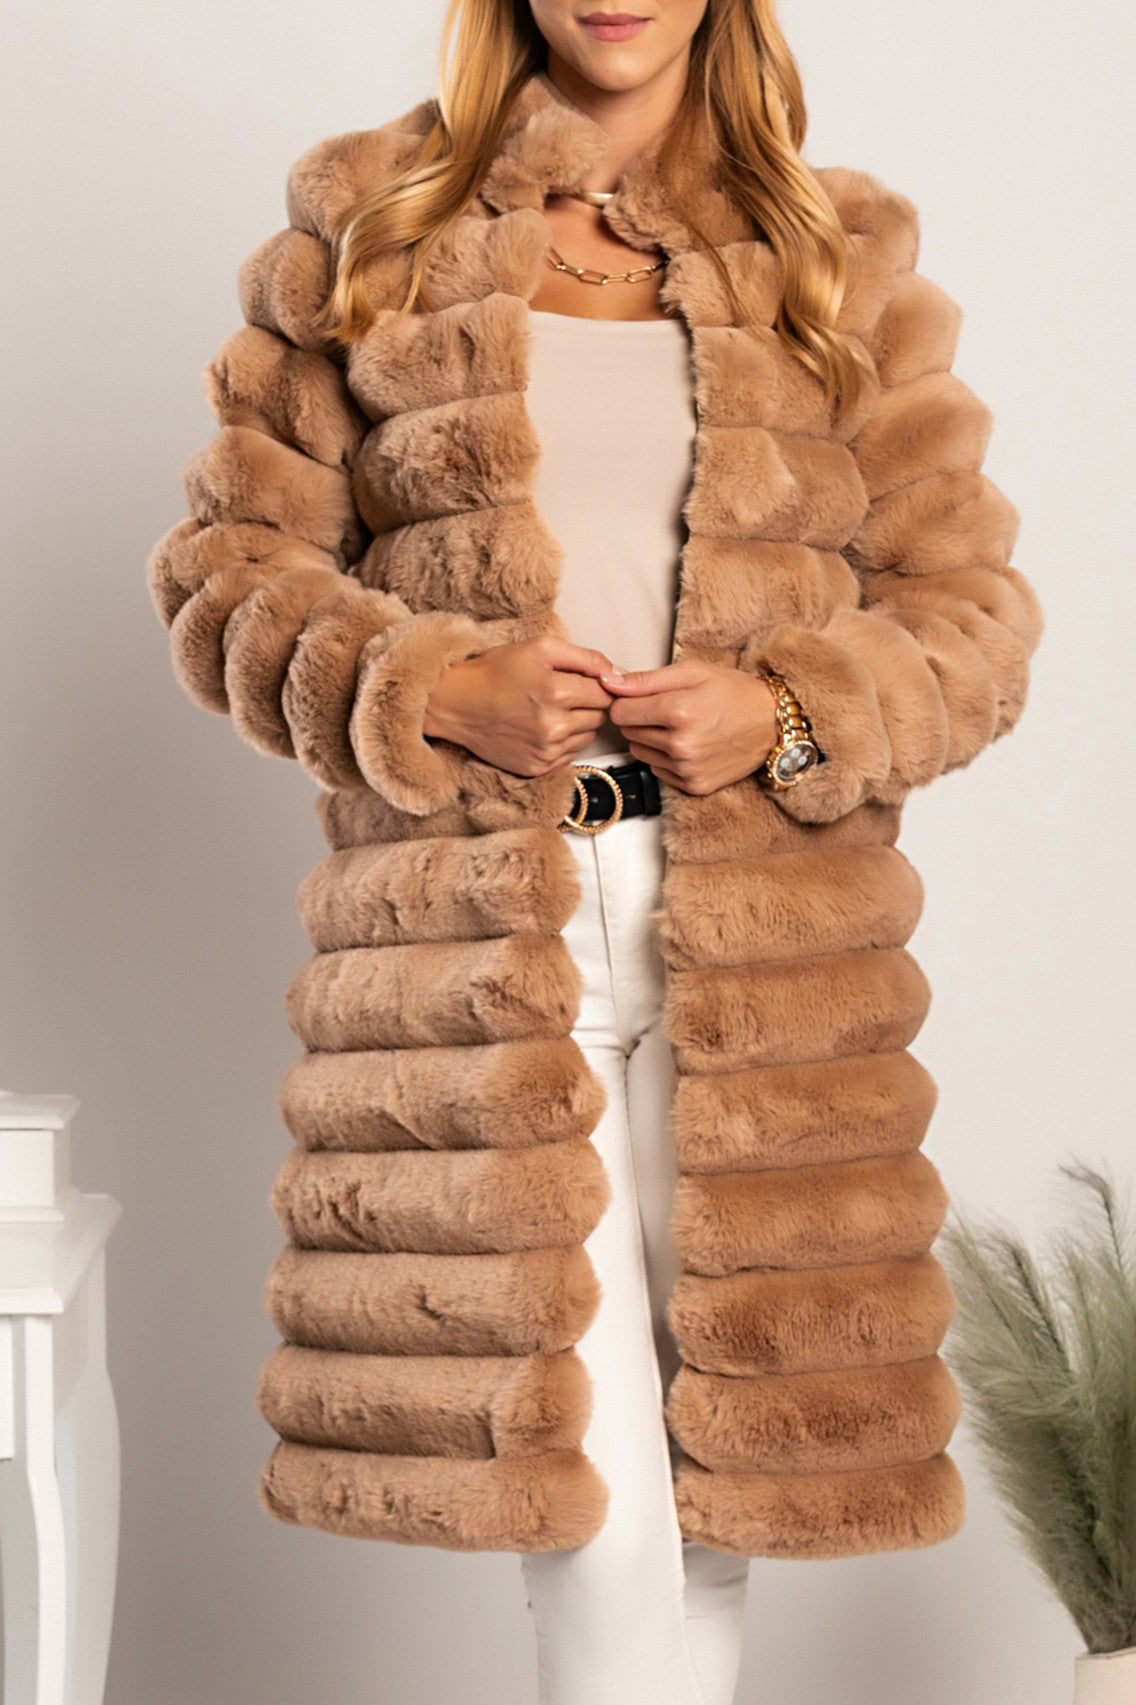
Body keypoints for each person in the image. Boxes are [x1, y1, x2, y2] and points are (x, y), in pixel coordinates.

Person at [146, 3, 1044, 1703]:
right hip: (478, 952)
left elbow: (976, 617)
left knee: (711, 1495)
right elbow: (224, 576)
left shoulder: (837, 253)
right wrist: (432, 687)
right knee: (598, 1503)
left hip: (771, 969)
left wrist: (787, 709)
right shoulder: (370, 229)